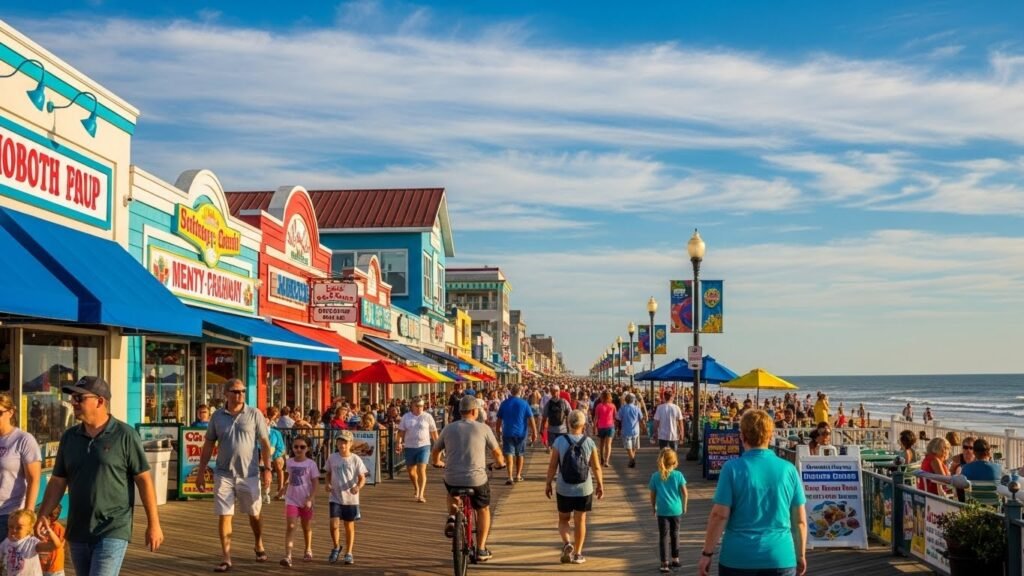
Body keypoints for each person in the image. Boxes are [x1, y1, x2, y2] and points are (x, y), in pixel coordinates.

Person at [35, 376, 162, 576]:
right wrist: (42, 515)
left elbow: (144, 480)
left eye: (79, 398)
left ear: (100, 401)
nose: (73, 403)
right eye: (72, 398)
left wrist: (153, 524)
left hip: (112, 528)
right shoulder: (69, 437)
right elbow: (58, 481)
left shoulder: (125, 435)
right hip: (77, 530)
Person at [699, 410, 807, 576]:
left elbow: (719, 515)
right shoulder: (788, 470)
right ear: (770, 436)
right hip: (780, 557)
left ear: (742, 436)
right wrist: (800, 555)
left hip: (738, 558)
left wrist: (707, 553)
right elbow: (799, 520)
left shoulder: (731, 468)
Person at [196, 379, 273, 573]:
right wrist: (201, 470)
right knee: (224, 515)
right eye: (235, 391)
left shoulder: (254, 414)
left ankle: (258, 543)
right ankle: (226, 557)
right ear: (226, 394)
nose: (239, 395)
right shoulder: (217, 417)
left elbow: (264, 443)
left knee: (254, 514)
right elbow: (208, 444)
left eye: (242, 391)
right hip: (224, 473)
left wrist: (268, 469)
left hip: (250, 473)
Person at [430, 396, 506, 562]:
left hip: (453, 477)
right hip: (477, 479)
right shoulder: (483, 428)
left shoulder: (448, 428)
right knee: (483, 509)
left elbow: (435, 451)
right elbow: (498, 454)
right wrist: (499, 464)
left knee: (451, 490)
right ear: (474, 411)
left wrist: (437, 462)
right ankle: (481, 549)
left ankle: (452, 516)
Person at [545, 409, 603, 565]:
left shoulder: (559, 441)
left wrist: (548, 483)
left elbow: (552, 466)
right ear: (583, 424)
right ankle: (578, 554)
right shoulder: (589, 442)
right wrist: (600, 485)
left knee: (563, 519)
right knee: (581, 521)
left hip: (564, 487)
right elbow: (596, 467)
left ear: (568, 423)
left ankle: (566, 543)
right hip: (584, 488)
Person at [0, 394, 41, 531]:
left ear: (10, 412)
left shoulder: (23, 440)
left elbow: (34, 479)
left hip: (10, 516)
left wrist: (28, 515)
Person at [325, 430, 367, 565]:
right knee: (333, 524)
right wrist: (327, 483)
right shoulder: (332, 457)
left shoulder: (355, 459)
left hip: (350, 498)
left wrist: (358, 487)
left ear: (350, 443)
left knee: (349, 525)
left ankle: (349, 552)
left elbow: (362, 478)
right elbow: (328, 473)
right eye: (340, 441)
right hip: (335, 496)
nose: (342, 444)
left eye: (345, 442)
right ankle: (336, 546)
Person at [278, 434, 318, 567]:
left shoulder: (311, 464)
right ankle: (288, 555)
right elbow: (289, 476)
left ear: (308, 448)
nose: (298, 449)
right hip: (291, 498)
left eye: (302, 447)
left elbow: (315, 483)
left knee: (306, 527)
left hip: (306, 499)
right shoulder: (289, 462)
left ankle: (308, 549)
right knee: (291, 526)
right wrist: (283, 487)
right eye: (296, 447)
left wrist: (310, 498)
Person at [649, 448, 688, 573]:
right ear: (674, 461)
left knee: (663, 536)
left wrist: (653, 506)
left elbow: (652, 495)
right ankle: (675, 559)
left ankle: (664, 563)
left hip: (662, 511)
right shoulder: (678, 475)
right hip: (676, 510)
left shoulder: (655, 476)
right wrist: (684, 506)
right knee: (675, 534)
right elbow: (685, 493)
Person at [397, 397, 439, 503]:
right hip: (410, 446)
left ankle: (421, 494)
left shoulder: (427, 416)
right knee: (411, 472)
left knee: (421, 470)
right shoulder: (406, 417)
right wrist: (399, 443)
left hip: (424, 446)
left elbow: (434, 432)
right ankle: (416, 487)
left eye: (421, 406)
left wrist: (438, 446)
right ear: (412, 406)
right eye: (417, 406)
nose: (420, 408)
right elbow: (401, 431)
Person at [496, 386, 538, 485]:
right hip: (521, 433)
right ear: (520, 392)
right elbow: (531, 418)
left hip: (508, 432)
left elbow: (499, 420)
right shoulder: (524, 403)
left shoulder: (504, 403)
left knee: (509, 454)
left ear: (511, 392)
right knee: (520, 454)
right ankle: (518, 475)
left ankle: (510, 477)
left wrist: (498, 432)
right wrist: (534, 432)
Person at [3, 509, 62, 576]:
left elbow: (55, 545)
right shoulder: (6, 542)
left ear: (29, 529)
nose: (14, 530)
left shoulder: (32, 542)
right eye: (10, 527)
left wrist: (48, 529)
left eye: (19, 527)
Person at [263, 409, 287, 504]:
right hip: (265, 454)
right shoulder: (258, 432)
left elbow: (279, 447)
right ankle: (266, 491)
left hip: (276, 452)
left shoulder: (275, 432)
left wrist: (272, 456)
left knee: (278, 463)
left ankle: (280, 490)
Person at [37, 503, 65, 576]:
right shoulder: (37, 527)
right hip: (41, 568)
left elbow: (60, 545)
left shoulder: (58, 528)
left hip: (55, 569)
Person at [617, 393, 644, 468]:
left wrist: (618, 429)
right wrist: (643, 428)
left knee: (628, 447)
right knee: (634, 446)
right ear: (633, 400)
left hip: (625, 430)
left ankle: (632, 459)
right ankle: (632, 460)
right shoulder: (637, 408)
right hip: (636, 430)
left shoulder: (622, 408)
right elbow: (641, 419)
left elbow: (618, 419)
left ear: (626, 400)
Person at [543, 386, 571, 451]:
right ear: (559, 392)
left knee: (554, 448)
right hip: (563, 430)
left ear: (551, 393)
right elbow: (570, 414)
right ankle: (560, 460)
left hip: (551, 429)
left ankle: (554, 460)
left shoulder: (548, 403)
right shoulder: (564, 402)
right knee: (562, 448)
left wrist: (543, 427)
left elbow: (544, 416)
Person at [593, 392, 617, 468]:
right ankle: (606, 461)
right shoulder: (612, 406)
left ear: (602, 397)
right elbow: (615, 417)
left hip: (601, 427)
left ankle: (602, 458)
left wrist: (594, 428)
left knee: (602, 443)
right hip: (610, 426)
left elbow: (596, 418)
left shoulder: (598, 406)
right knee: (608, 444)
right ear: (610, 397)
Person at [949, 436, 975, 502]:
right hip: (960, 487)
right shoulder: (956, 459)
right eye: (965, 447)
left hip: (973, 486)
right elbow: (950, 473)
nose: (968, 450)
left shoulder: (976, 460)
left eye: (971, 448)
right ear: (962, 448)